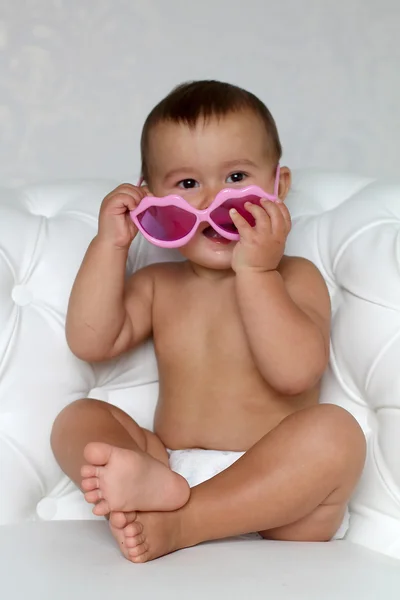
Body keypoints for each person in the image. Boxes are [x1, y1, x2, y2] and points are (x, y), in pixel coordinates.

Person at [51, 80, 366, 563]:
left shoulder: (294, 277)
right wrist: (110, 245)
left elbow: (296, 373)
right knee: (77, 420)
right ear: (150, 200)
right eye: (188, 184)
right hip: (170, 474)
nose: (214, 203)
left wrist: (257, 272)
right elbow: (91, 341)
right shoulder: (161, 284)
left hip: (279, 497)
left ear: (278, 186)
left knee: (335, 434)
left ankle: (188, 522)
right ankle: (166, 500)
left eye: (237, 177)